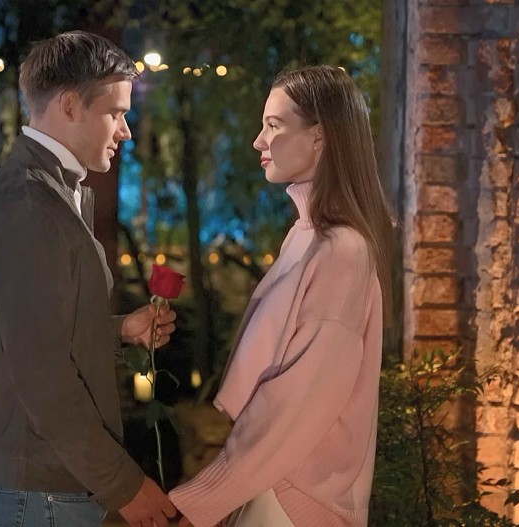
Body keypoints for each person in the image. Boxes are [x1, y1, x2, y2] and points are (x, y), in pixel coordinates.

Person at [0, 31, 178, 527]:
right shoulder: (30, 206)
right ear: (71, 105)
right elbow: (42, 374)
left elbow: (35, 334)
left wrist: (117, 331)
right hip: (37, 484)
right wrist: (123, 484)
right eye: (116, 113)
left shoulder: (49, 194)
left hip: (40, 480)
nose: (125, 132)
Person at [169, 66, 394, 527]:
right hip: (273, 484)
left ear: (319, 136)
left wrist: (207, 499)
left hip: (296, 496)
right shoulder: (306, 236)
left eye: (274, 125)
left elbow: (300, 399)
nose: (258, 141)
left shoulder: (342, 250)